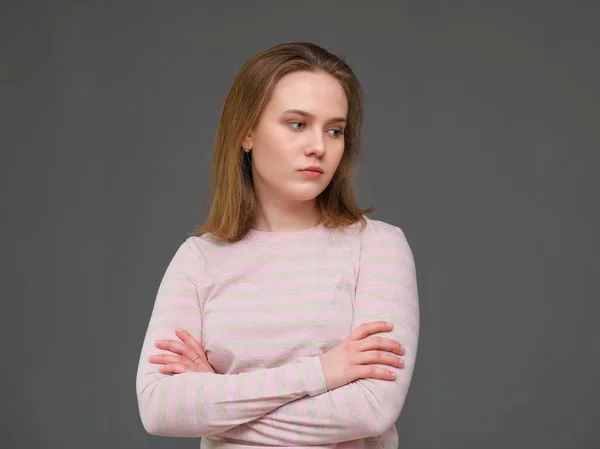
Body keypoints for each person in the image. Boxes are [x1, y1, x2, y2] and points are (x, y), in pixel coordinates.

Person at [135, 41, 420, 449]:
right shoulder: (199, 259)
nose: (319, 147)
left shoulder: (377, 247)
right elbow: (160, 409)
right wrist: (321, 373)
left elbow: (370, 409)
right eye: (297, 124)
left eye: (334, 130)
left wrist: (215, 399)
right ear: (246, 132)